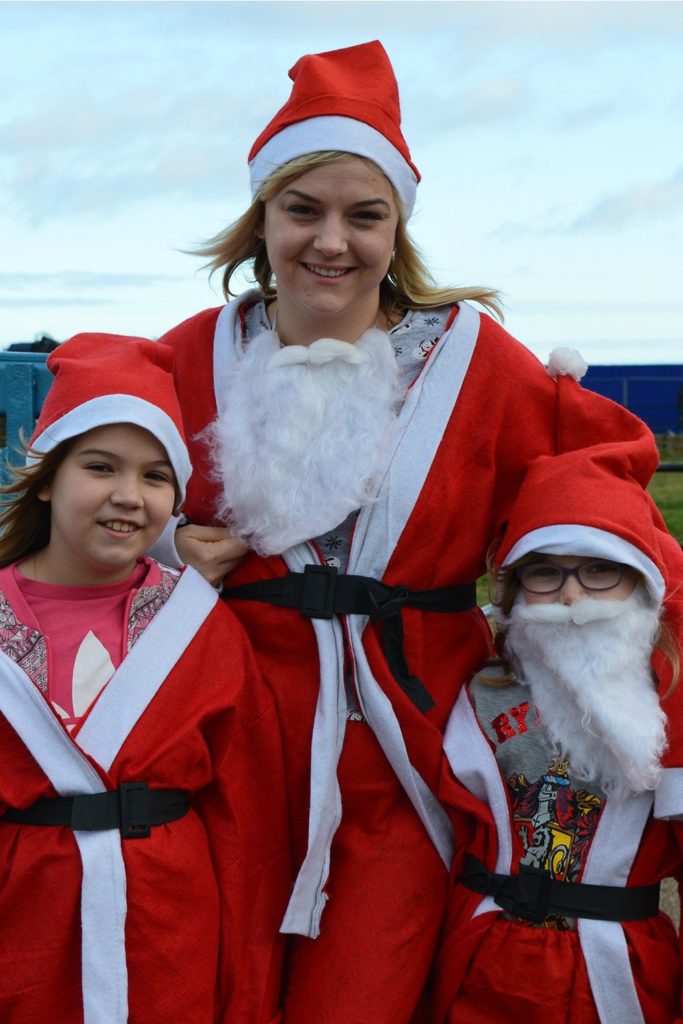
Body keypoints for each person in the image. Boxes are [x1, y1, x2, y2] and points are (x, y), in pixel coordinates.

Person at [157, 40, 664, 1023]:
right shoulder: (188, 356)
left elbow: (603, 468)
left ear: (397, 228)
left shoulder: (475, 360)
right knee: (222, 988)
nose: (330, 242)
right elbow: (79, 496)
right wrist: (162, 547)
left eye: (364, 215)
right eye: (301, 210)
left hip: (412, 751)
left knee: (361, 996)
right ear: (260, 220)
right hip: (236, 745)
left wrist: (581, 605)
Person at [0, 333, 289, 1024]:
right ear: (46, 477)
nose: (129, 497)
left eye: (156, 477)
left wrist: (247, 992)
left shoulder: (196, 625)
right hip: (23, 936)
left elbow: (248, 826)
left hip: (169, 938)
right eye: (100, 467)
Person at [435, 443, 683, 1024]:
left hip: (620, 971)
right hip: (483, 963)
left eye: (599, 570)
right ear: (515, 591)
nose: (572, 597)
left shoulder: (671, 702)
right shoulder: (476, 695)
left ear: (641, 583)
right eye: (546, 572)